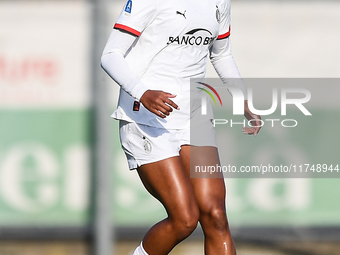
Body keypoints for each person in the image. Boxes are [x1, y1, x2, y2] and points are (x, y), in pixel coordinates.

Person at [101, 0, 261, 253]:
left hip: (195, 117)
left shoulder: (219, 2)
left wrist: (242, 101)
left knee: (216, 214)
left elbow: (221, 54)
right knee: (184, 219)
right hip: (147, 116)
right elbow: (109, 55)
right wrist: (142, 93)